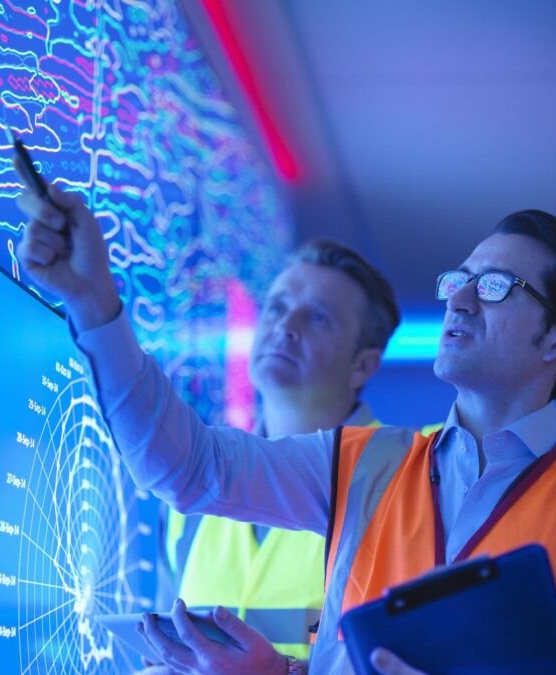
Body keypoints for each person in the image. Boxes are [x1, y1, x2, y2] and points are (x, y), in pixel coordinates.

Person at [13, 174, 556, 674]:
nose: (460, 299)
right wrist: (94, 301)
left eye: (497, 286)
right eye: (460, 279)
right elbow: (190, 469)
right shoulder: (362, 463)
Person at [149, 239, 399, 667]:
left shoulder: (399, 484)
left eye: (318, 317)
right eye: (277, 307)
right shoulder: (191, 488)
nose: (286, 326)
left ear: (363, 365)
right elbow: (165, 653)